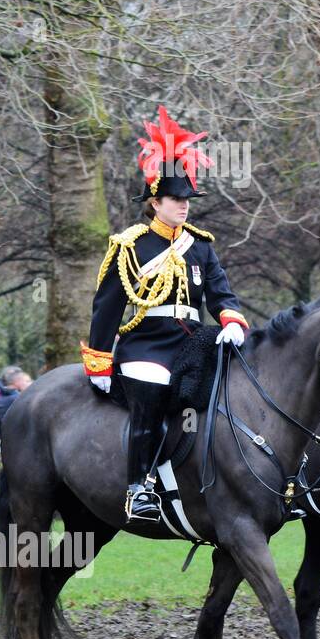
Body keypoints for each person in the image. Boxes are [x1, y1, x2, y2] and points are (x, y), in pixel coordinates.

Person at [83, 106, 249, 520]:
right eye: (177, 199)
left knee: (238, 387)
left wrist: (229, 319)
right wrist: (100, 362)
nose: (185, 206)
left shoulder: (201, 245)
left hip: (192, 340)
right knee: (154, 398)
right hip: (147, 344)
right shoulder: (130, 245)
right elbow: (107, 309)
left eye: (188, 199)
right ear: (155, 202)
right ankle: (139, 487)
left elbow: (220, 294)